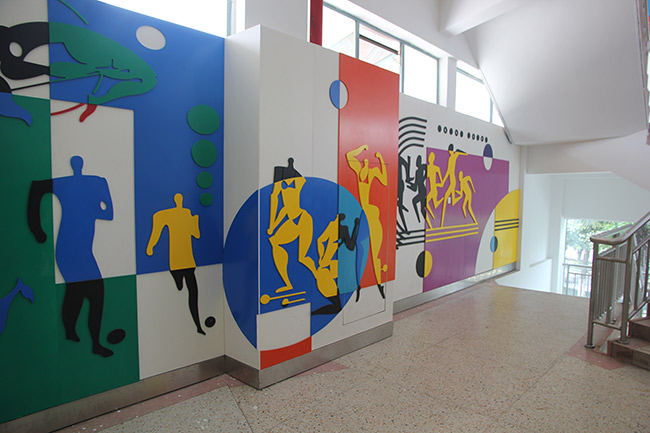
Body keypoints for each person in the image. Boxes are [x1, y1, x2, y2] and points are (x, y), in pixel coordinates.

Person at [28, 156, 114, 357]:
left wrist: (38, 230)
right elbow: (37, 188)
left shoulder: (79, 182)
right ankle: (86, 339)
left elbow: (109, 214)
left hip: (77, 249)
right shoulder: (89, 182)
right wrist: (36, 229)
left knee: (79, 291)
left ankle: (76, 334)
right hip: (69, 249)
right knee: (92, 291)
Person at [147, 193, 205, 335]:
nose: (179, 200)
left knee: (193, 292)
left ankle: (198, 325)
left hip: (189, 261)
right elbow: (157, 228)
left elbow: (196, 234)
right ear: (176, 200)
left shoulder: (187, 214)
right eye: (178, 198)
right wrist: (151, 246)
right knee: (180, 287)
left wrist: (195, 221)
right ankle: (178, 282)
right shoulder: (168, 214)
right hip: (176, 261)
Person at [345, 144, 387, 300]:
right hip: (366, 214)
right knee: (361, 251)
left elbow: (384, 180)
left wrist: (381, 159)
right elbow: (349, 155)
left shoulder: (370, 171)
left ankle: (378, 284)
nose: (365, 161)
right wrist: (361, 147)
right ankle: (359, 285)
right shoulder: (358, 169)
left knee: (373, 253)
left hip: (370, 214)